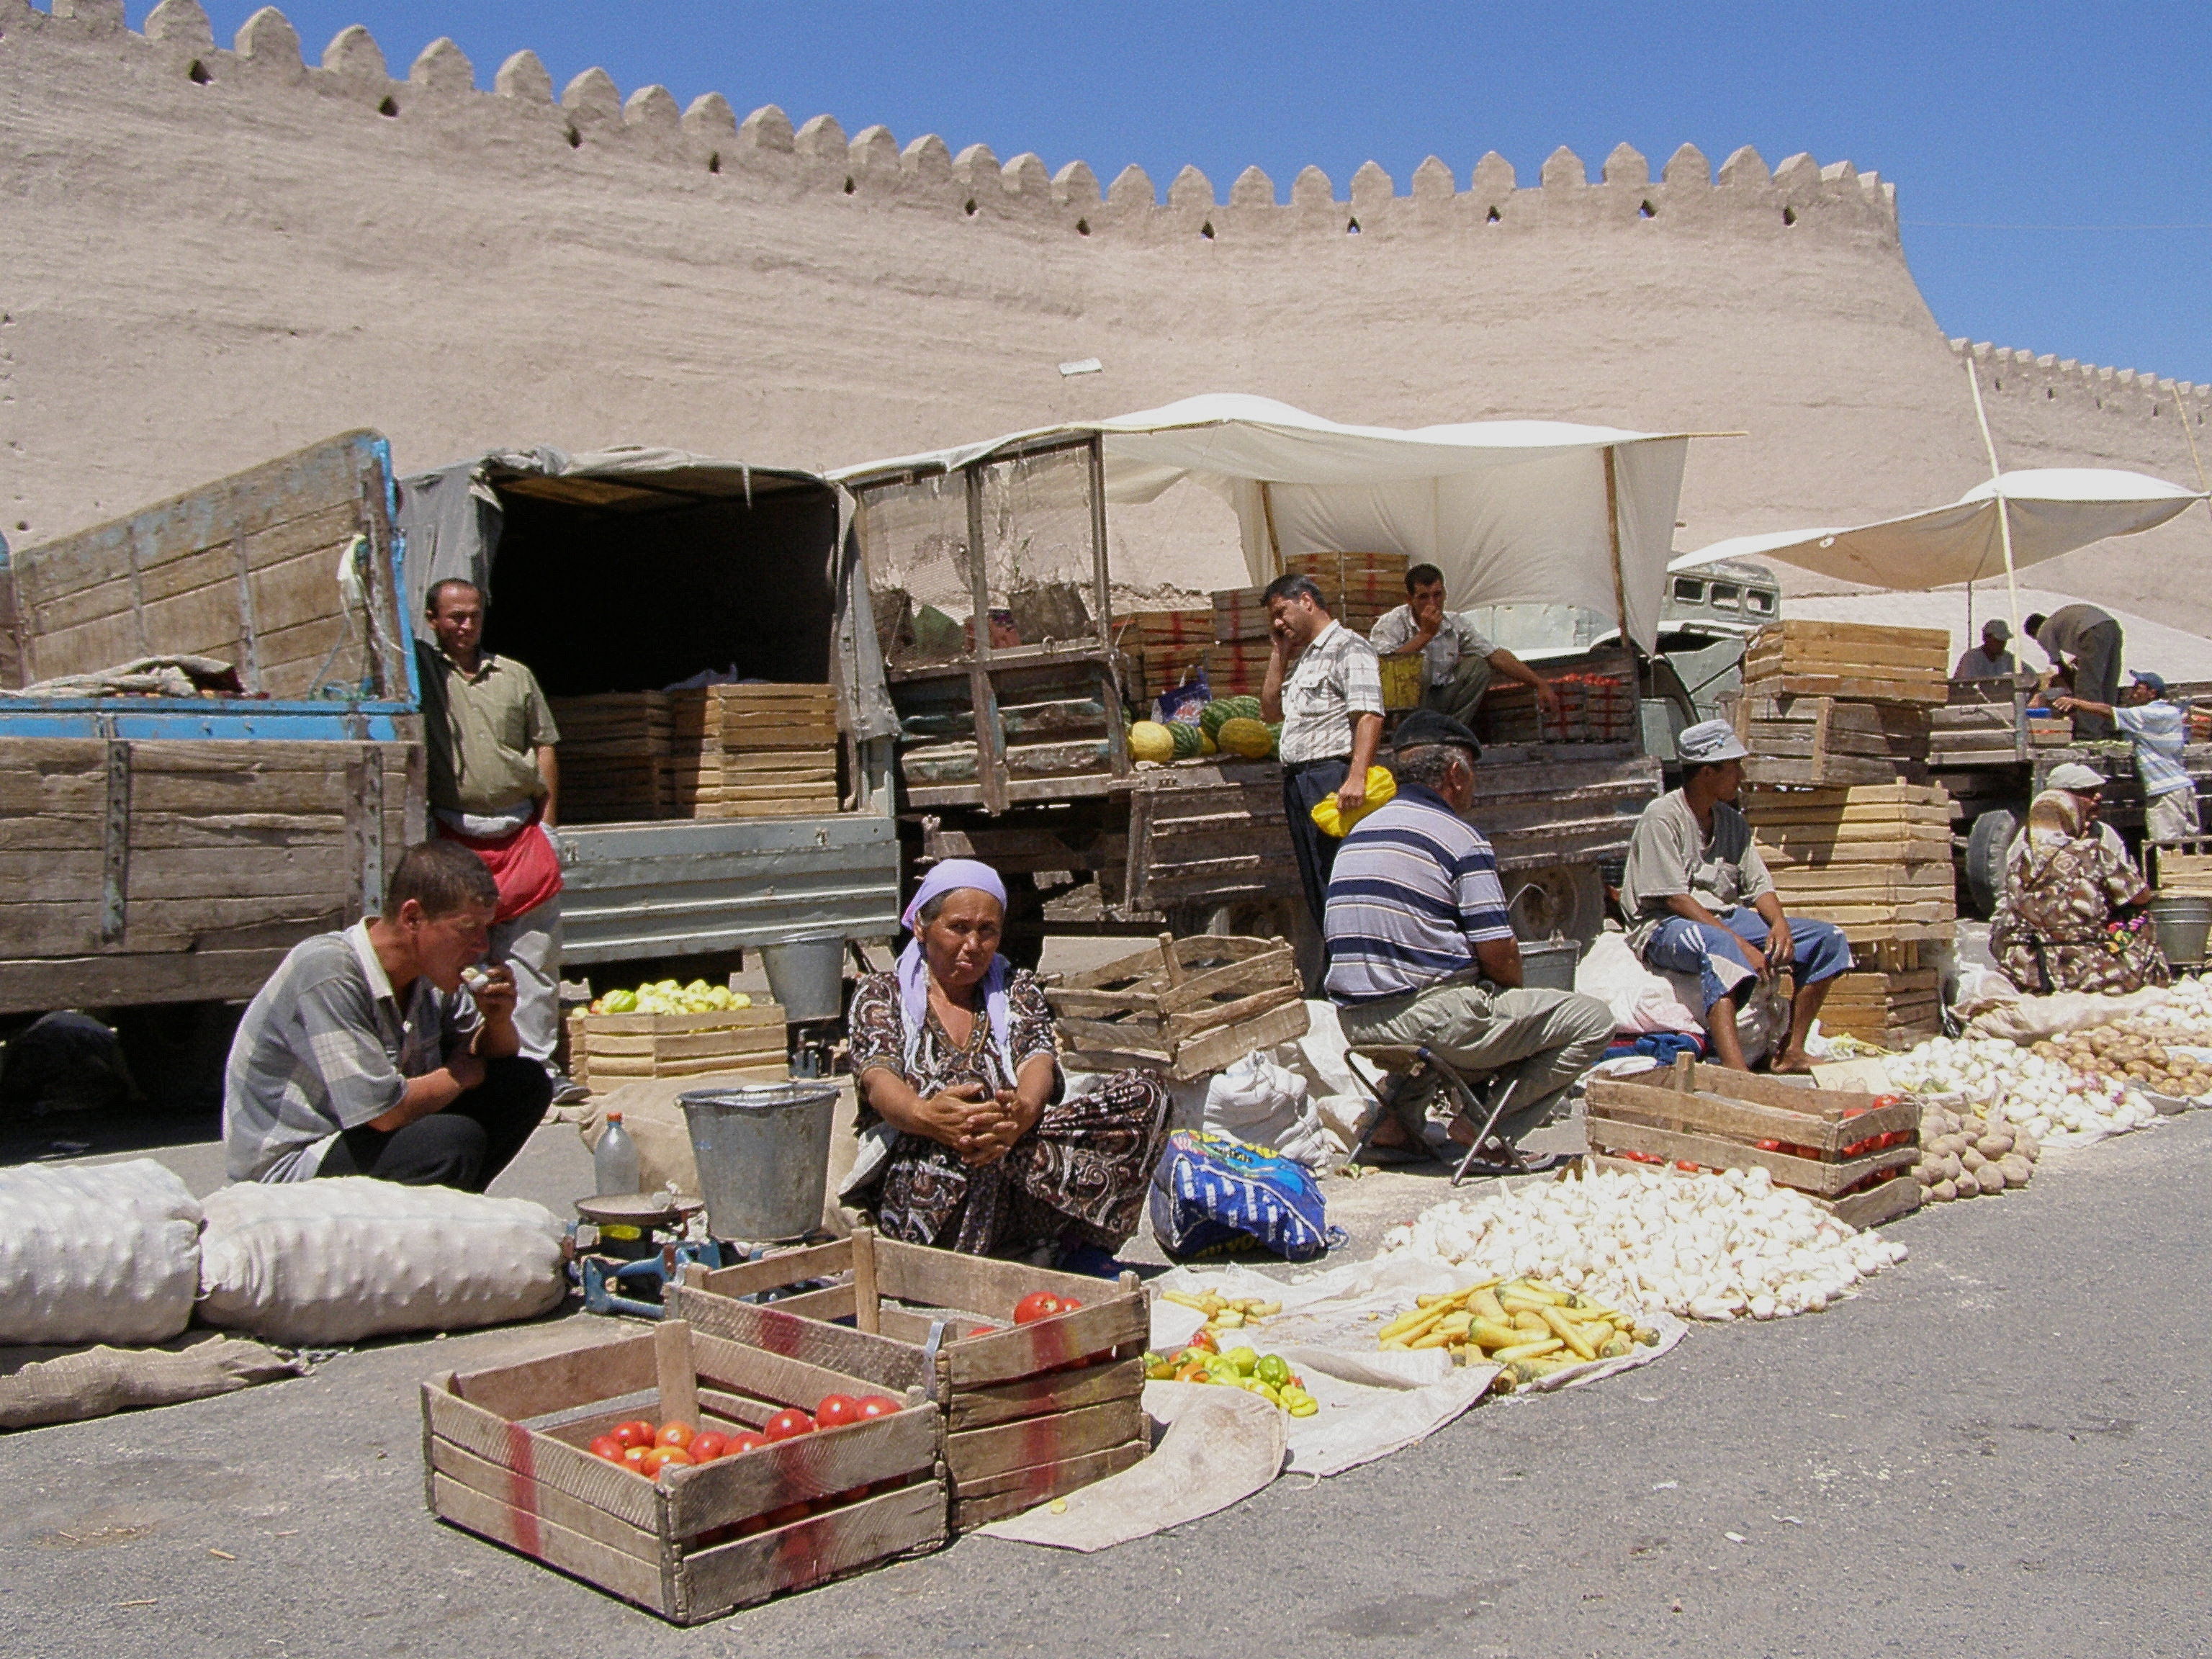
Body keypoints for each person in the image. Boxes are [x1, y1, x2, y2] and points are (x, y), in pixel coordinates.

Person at [1323, 711, 1613, 1171]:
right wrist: (1513, 1003)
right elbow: (1499, 953)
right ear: (1456, 775)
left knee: (1452, 1002)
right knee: (1589, 1020)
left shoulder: (1361, 832)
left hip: (1357, 1023)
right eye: (1473, 774)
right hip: (1428, 1023)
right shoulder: (1460, 839)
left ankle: (1392, 1127)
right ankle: (1484, 1129)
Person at [842, 859, 1171, 1265]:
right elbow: (878, 1076)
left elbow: (1037, 1058)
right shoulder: (881, 994)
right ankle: (952, 1264)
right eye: (958, 928)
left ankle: (1078, 1251)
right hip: (925, 1167)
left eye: (987, 931)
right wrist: (924, 1114)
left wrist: (1024, 1112)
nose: (973, 945)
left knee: (1147, 1095)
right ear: (922, 927)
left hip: (1010, 1150)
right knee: (972, 1127)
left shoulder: (1016, 986)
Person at [222, 840, 552, 1188]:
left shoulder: (433, 974)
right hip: (296, 1165)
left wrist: (498, 1019)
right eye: (468, 929)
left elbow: (486, 1056)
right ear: (413, 917)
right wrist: (459, 1075)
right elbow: (384, 1113)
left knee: (522, 1083)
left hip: (367, 1137)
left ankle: (450, 1213)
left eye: (486, 929)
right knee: (448, 1142)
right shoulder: (328, 970)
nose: (482, 946)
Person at [415, 577, 578, 1102]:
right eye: (454, 616)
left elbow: (545, 746)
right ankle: (470, 1056)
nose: (464, 626)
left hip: (520, 832)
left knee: (534, 954)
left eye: (473, 616)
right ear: (432, 619)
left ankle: (534, 1071)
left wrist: (547, 825)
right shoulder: (419, 675)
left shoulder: (515, 676)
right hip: (454, 832)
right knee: (461, 953)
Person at [1621, 720, 1853, 1073]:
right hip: (1664, 925)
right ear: (1707, 771)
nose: (1741, 775)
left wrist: (1779, 924)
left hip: (1723, 916)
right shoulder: (1662, 817)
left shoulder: (1732, 821)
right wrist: (1741, 944)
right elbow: (1674, 899)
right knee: (1721, 947)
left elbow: (1759, 883)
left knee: (1827, 940)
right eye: (1733, 767)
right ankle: (1736, 1070)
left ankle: (1792, 1051)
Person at [1260, 572, 1385, 935]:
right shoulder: (1303, 662)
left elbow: (1369, 714)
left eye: (1282, 612)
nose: (1280, 623)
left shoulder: (1349, 647)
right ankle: (1337, 966)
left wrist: (1357, 776)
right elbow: (1269, 712)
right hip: (1299, 781)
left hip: (1331, 779)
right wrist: (1278, 654)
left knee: (1339, 878)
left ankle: (1356, 964)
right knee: (1316, 883)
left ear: (1307, 601)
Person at [1990, 789, 2169, 995]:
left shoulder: (2017, 865)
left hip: (2029, 968)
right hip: (2084, 967)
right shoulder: (2091, 854)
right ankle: (2149, 982)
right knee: (2139, 916)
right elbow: (2140, 896)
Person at [1369, 563, 1562, 726]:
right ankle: (1413, 730)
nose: (1433, 603)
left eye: (1437, 595)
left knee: (1479, 666)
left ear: (1445, 594)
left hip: (1440, 698)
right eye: (1424, 597)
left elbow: (1495, 655)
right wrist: (1425, 635)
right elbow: (1385, 667)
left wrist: (1539, 683)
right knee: (1419, 664)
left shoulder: (1455, 623)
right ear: (1410, 600)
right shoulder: (1391, 624)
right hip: (1402, 709)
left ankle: (1450, 730)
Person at [2052, 671, 2198, 842]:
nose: (2132, 693)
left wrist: (2075, 702)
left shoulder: (2148, 714)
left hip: (2166, 790)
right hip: (2182, 786)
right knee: (2191, 844)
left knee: (2165, 844)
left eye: (2138, 688)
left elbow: (2109, 712)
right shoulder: (2171, 712)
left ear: (2152, 693)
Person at [2023, 604, 2123, 739]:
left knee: (2087, 686)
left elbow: (2060, 665)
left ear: (2034, 631)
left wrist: (2074, 684)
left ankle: (2088, 733)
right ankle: (2110, 729)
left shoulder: (2043, 631)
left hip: (2091, 630)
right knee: (2108, 684)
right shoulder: (2058, 623)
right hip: (2112, 627)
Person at [1952, 618, 2018, 681]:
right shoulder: (1972, 658)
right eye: (1997, 641)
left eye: (2004, 641)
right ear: (1986, 638)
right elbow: (1967, 686)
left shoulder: (2008, 659)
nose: (2001, 644)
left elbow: (2026, 673)